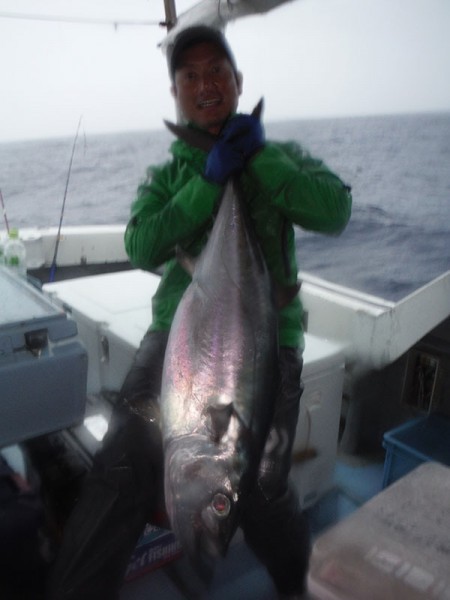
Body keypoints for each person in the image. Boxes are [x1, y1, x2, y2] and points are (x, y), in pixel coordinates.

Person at [47, 25, 351, 600]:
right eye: (191, 76)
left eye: (218, 72)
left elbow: (335, 210)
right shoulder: (167, 176)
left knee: (260, 485)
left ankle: (296, 585)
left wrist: (259, 161)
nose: (206, 84)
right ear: (177, 94)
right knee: (122, 467)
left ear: (238, 83)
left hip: (267, 347)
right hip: (178, 346)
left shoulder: (281, 158)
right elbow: (141, 245)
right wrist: (208, 184)